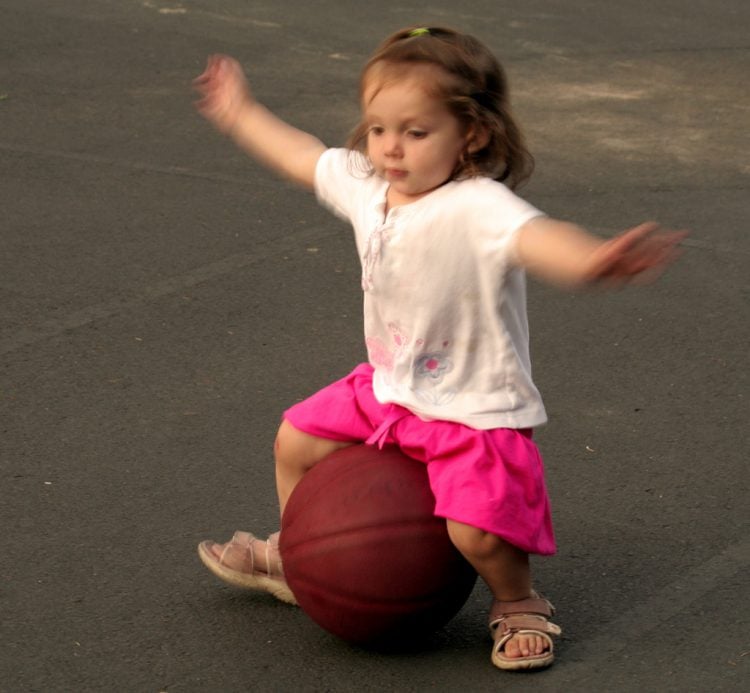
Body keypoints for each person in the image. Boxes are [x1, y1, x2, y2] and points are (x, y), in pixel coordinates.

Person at [192, 26, 685, 671]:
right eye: (377, 129)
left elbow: (539, 238)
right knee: (295, 441)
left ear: (472, 134)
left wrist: (590, 260)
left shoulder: (478, 206)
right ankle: (301, 552)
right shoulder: (369, 186)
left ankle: (517, 601)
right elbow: (300, 155)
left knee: (476, 531)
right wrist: (241, 114)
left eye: (416, 132)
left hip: (470, 408)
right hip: (393, 388)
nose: (391, 148)